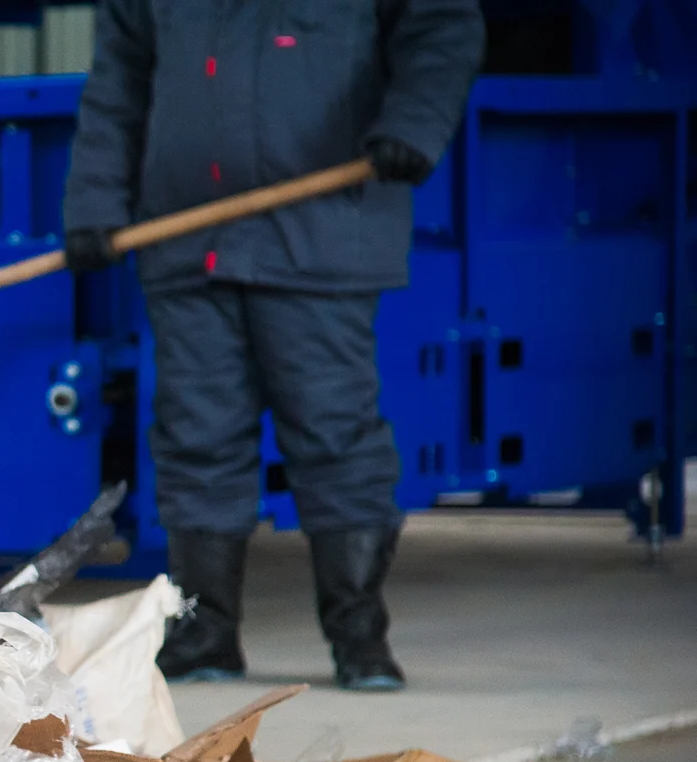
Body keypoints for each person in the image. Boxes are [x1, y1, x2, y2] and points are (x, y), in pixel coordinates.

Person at [62, 0, 485, 691]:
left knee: (336, 436)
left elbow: (442, 25)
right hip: (186, 241)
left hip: (319, 239)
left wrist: (413, 124)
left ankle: (359, 640)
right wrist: (92, 203)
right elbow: (117, 85)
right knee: (196, 438)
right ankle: (204, 637)